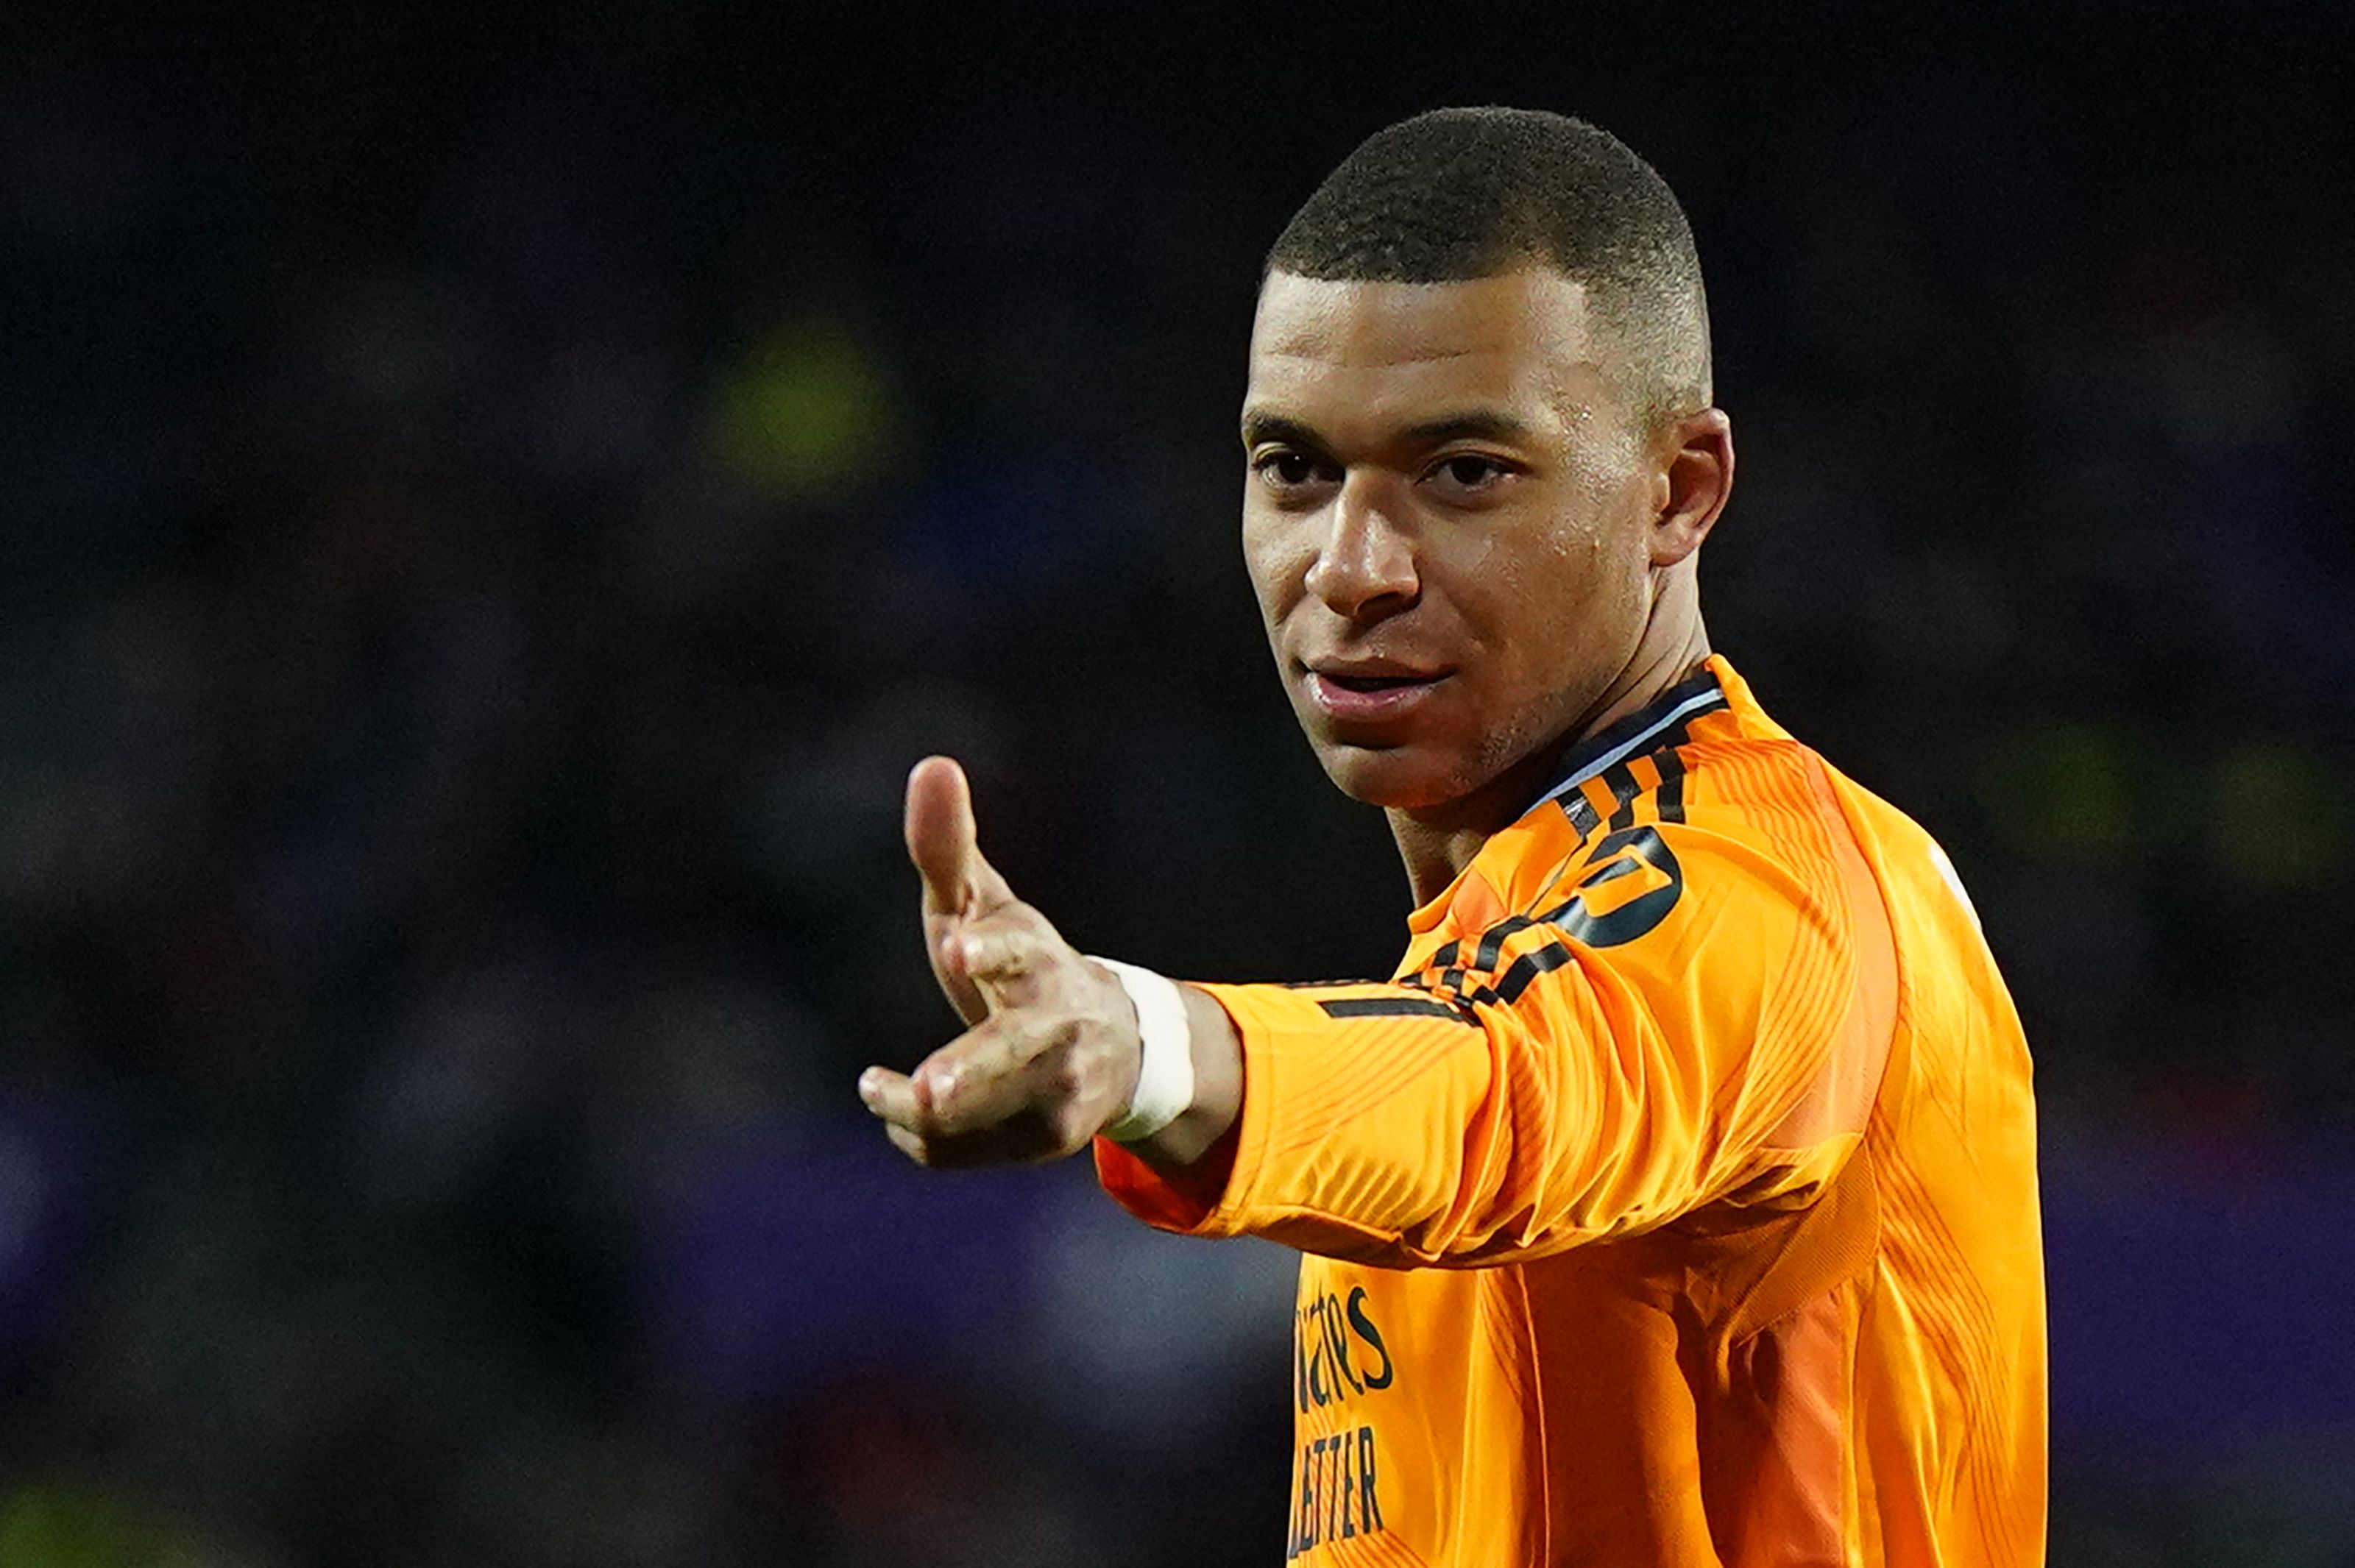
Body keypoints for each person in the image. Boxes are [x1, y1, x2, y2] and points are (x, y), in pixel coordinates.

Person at [858, 107, 2044, 1567]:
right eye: (1293, 466)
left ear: (1677, 492)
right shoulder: (1486, 933)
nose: (1348, 568)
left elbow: (1510, 1095)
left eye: (1465, 472)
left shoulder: (1766, 889)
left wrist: (1148, 1043)